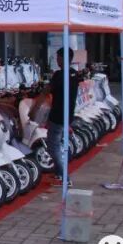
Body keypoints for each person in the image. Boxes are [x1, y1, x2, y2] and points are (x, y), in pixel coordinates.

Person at [48, 47, 80, 186]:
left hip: (57, 115)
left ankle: (65, 178)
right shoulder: (74, 74)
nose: (57, 60)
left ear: (63, 58)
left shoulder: (59, 75)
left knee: (53, 147)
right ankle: (58, 173)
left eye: (58, 57)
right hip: (68, 114)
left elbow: (47, 90)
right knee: (59, 144)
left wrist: (34, 109)